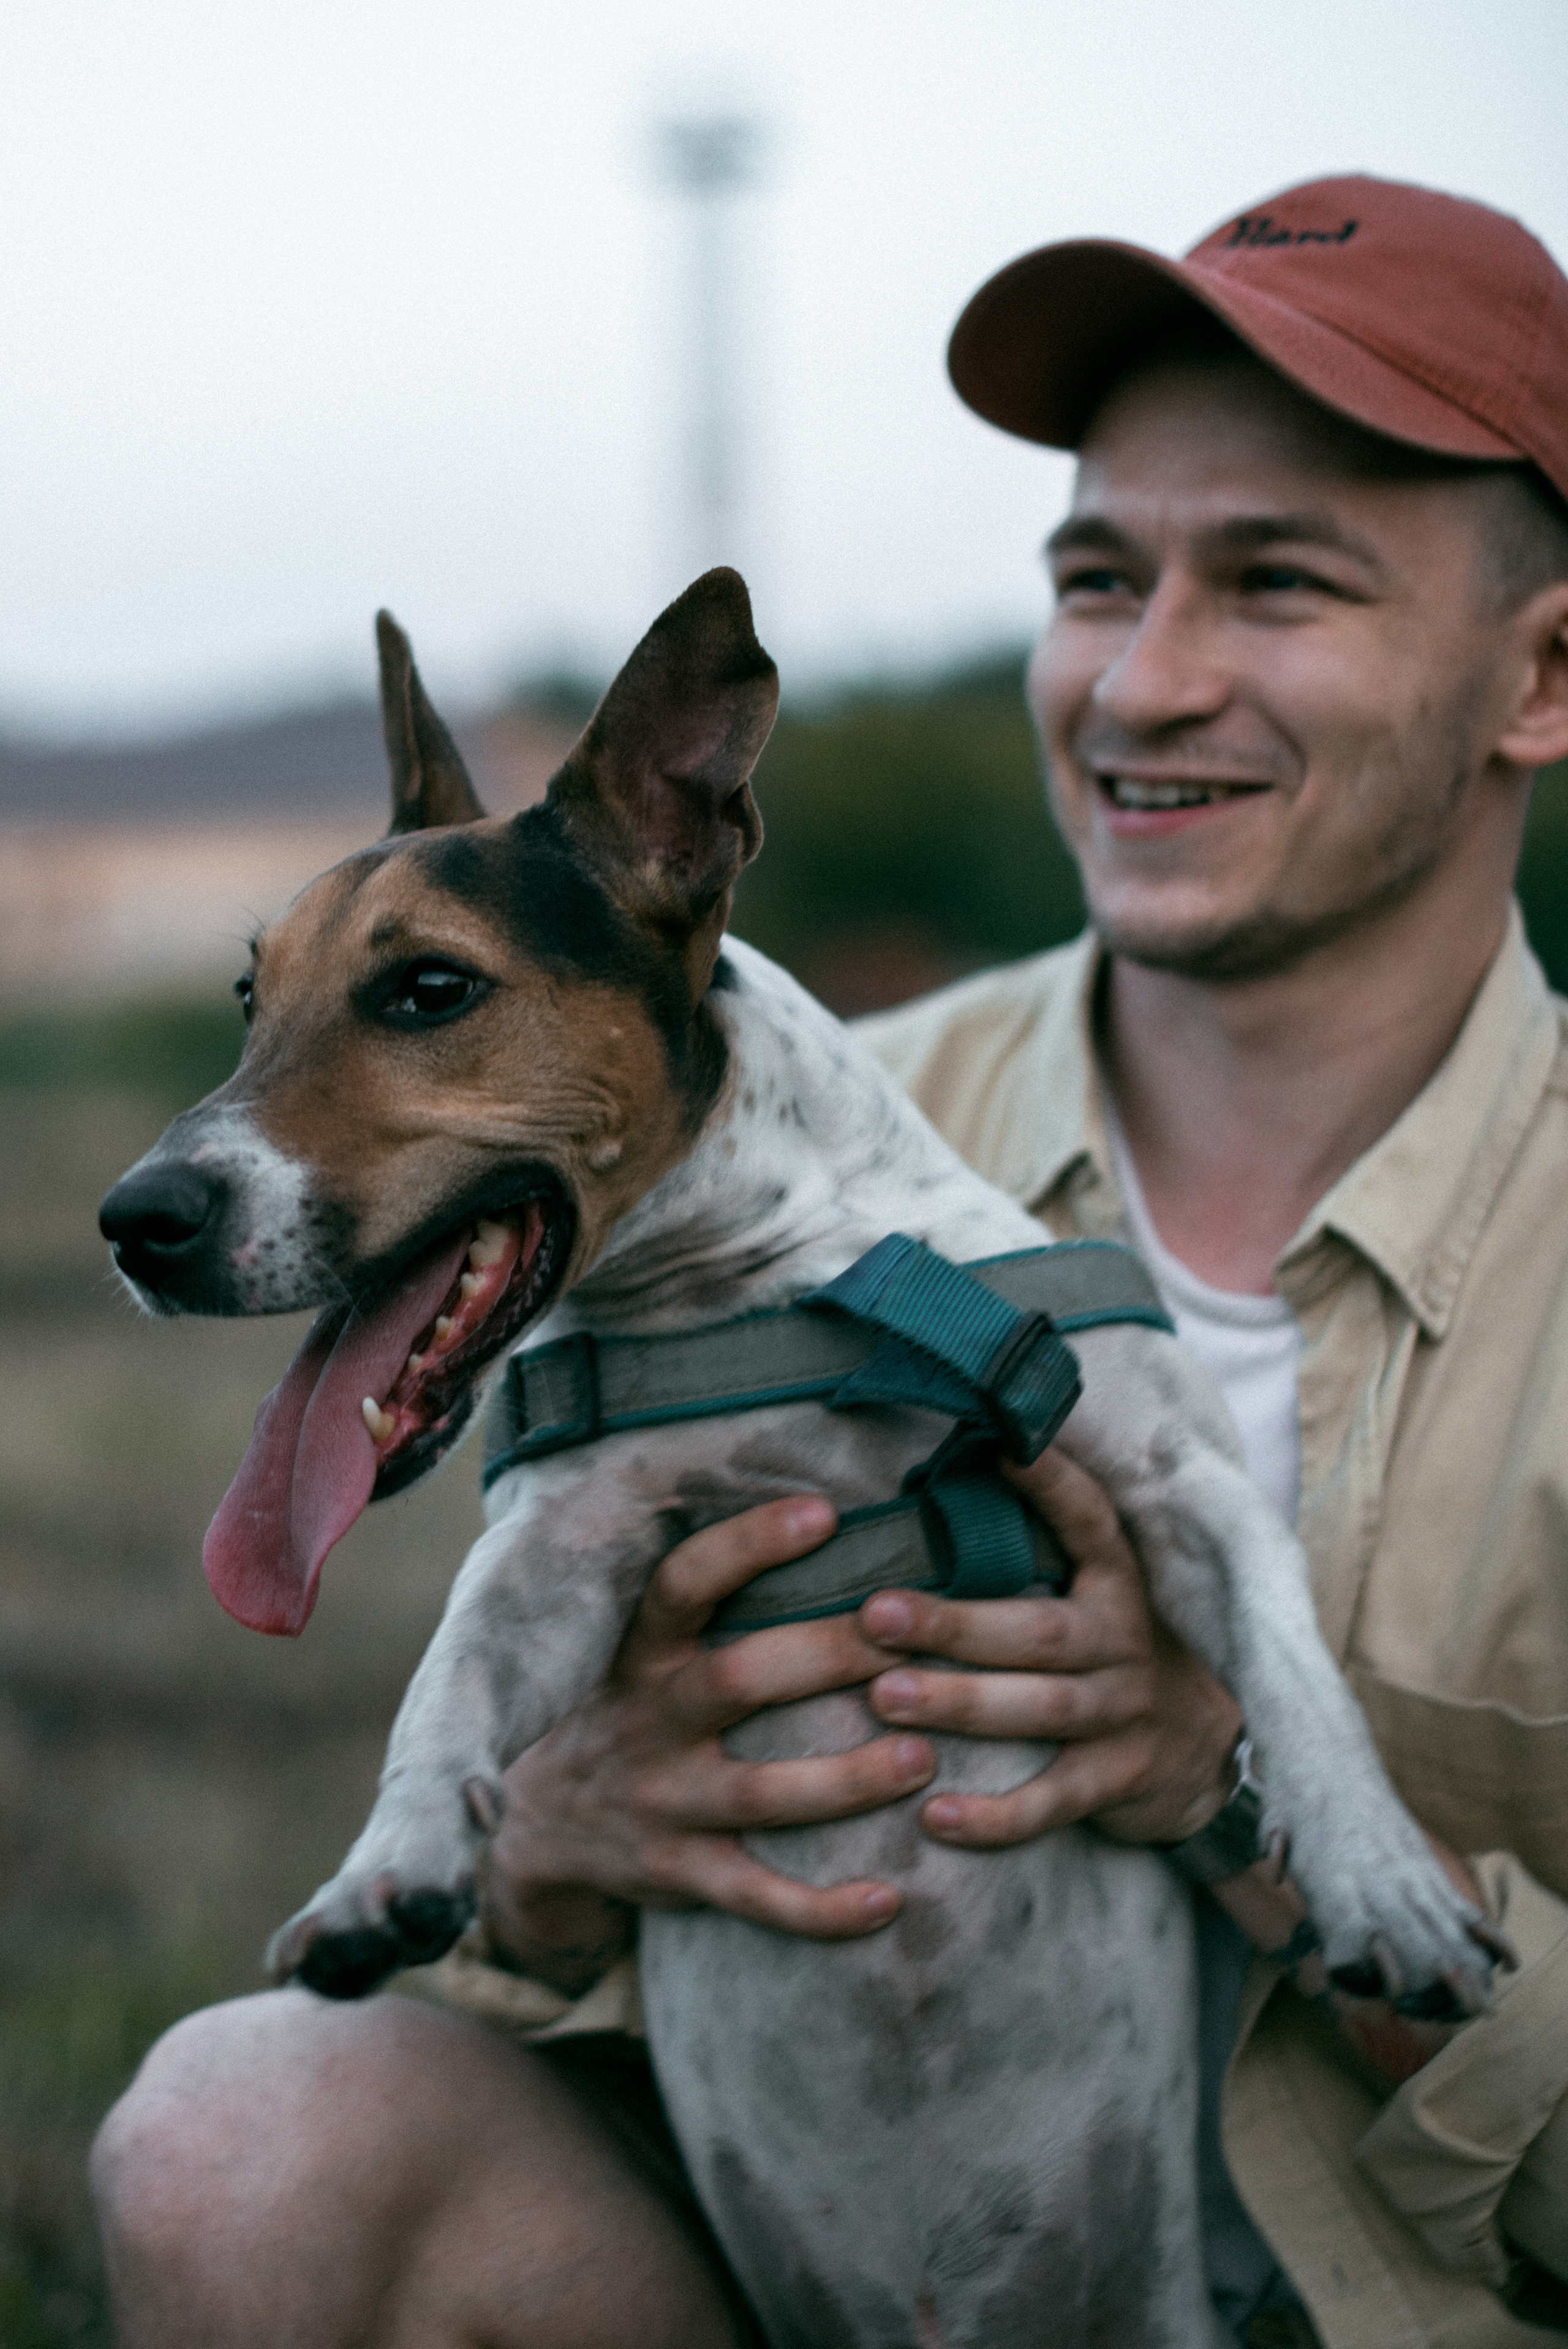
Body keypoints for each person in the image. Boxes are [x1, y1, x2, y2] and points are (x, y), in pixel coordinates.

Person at [92, 174, 1568, 2349]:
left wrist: (1233, 1799)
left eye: (1277, 581)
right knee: (234, 2130)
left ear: (1545, 676)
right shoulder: (695, 1143)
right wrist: (553, 1849)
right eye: (1094, 574)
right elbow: (531, 1910)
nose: (1144, 680)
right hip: (803, 2243)